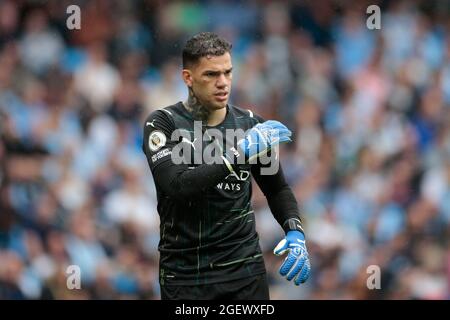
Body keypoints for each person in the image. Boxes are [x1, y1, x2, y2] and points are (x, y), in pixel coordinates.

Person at [142, 32, 310, 300]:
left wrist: (295, 230)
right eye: (211, 75)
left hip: (245, 273)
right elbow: (177, 186)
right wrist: (238, 153)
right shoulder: (163, 124)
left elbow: (277, 188)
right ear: (188, 78)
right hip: (186, 277)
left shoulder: (251, 126)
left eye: (228, 73)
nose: (223, 83)